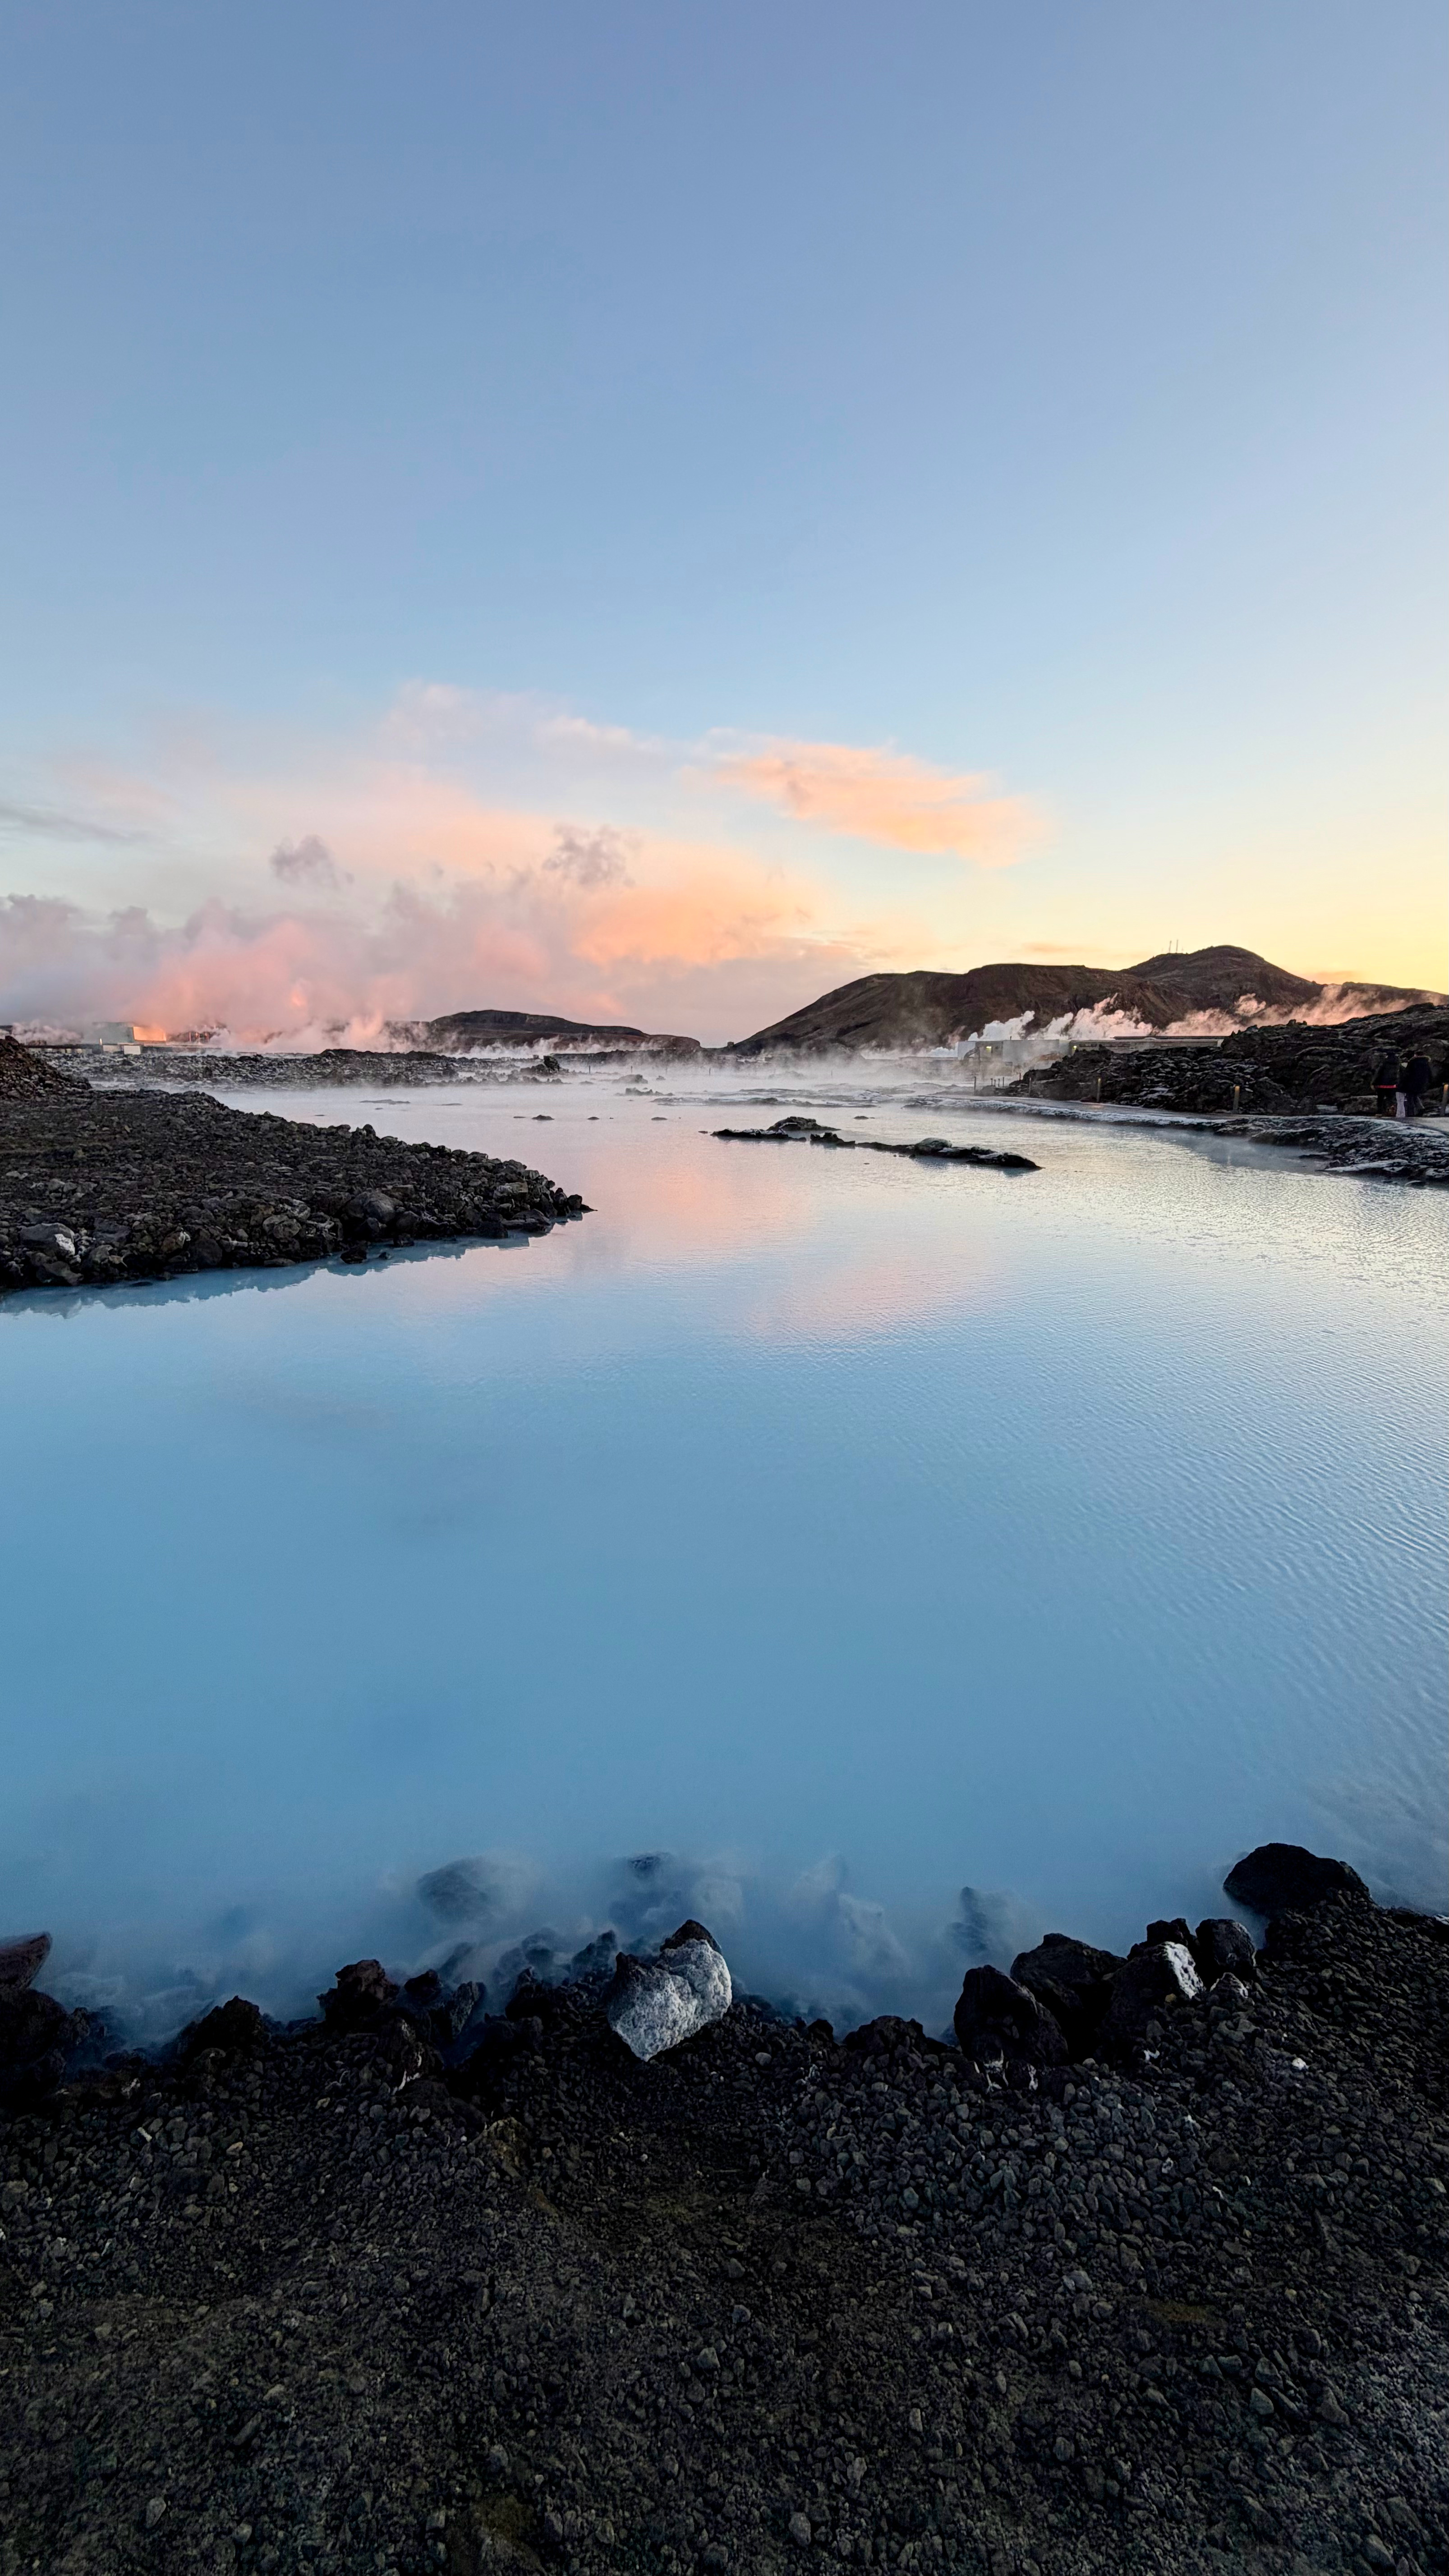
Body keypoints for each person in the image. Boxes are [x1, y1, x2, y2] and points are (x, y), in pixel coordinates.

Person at [1372, 1047, 1401, 1114]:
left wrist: (1374, 1083)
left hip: (1382, 1084)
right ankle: (1392, 1108)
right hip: (1393, 1084)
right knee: (1391, 1099)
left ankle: (1380, 1113)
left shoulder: (1384, 1062)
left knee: (1381, 1100)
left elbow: (1379, 1073)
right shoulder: (1397, 1063)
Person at [1404, 1050, 1433, 1117]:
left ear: (1416, 1055)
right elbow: (1430, 1074)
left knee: (1410, 1098)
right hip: (1422, 1084)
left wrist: (1404, 1083)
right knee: (1415, 1096)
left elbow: (1407, 1073)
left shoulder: (1413, 1062)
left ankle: (1411, 1113)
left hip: (1412, 1083)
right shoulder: (1426, 1063)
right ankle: (1420, 1108)